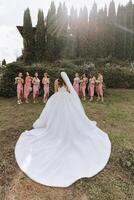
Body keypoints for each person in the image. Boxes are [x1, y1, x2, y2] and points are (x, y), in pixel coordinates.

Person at [15, 72, 111, 188]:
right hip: (67, 98)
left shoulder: (56, 82)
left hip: (57, 99)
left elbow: (55, 92)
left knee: (56, 116)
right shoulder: (67, 83)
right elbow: (71, 91)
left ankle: (55, 128)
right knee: (68, 116)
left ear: (58, 79)